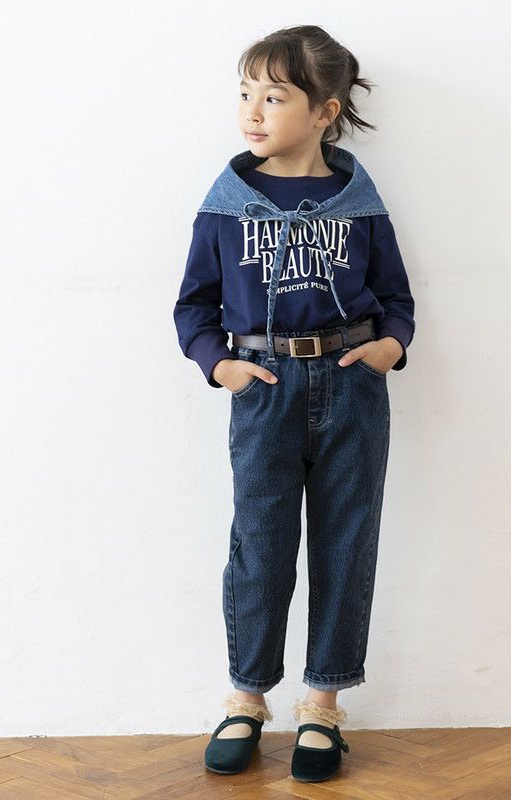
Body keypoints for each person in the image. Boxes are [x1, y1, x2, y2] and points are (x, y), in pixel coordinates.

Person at [173, 24, 415, 782]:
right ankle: (246, 699)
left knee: (347, 542)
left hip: (352, 388)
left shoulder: (359, 204)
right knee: (260, 545)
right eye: (245, 93)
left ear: (324, 112)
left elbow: (397, 297)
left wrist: (390, 347)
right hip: (265, 390)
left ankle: (322, 706)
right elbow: (194, 306)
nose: (253, 111)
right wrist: (221, 367)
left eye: (274, 97)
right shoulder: (226, 205)